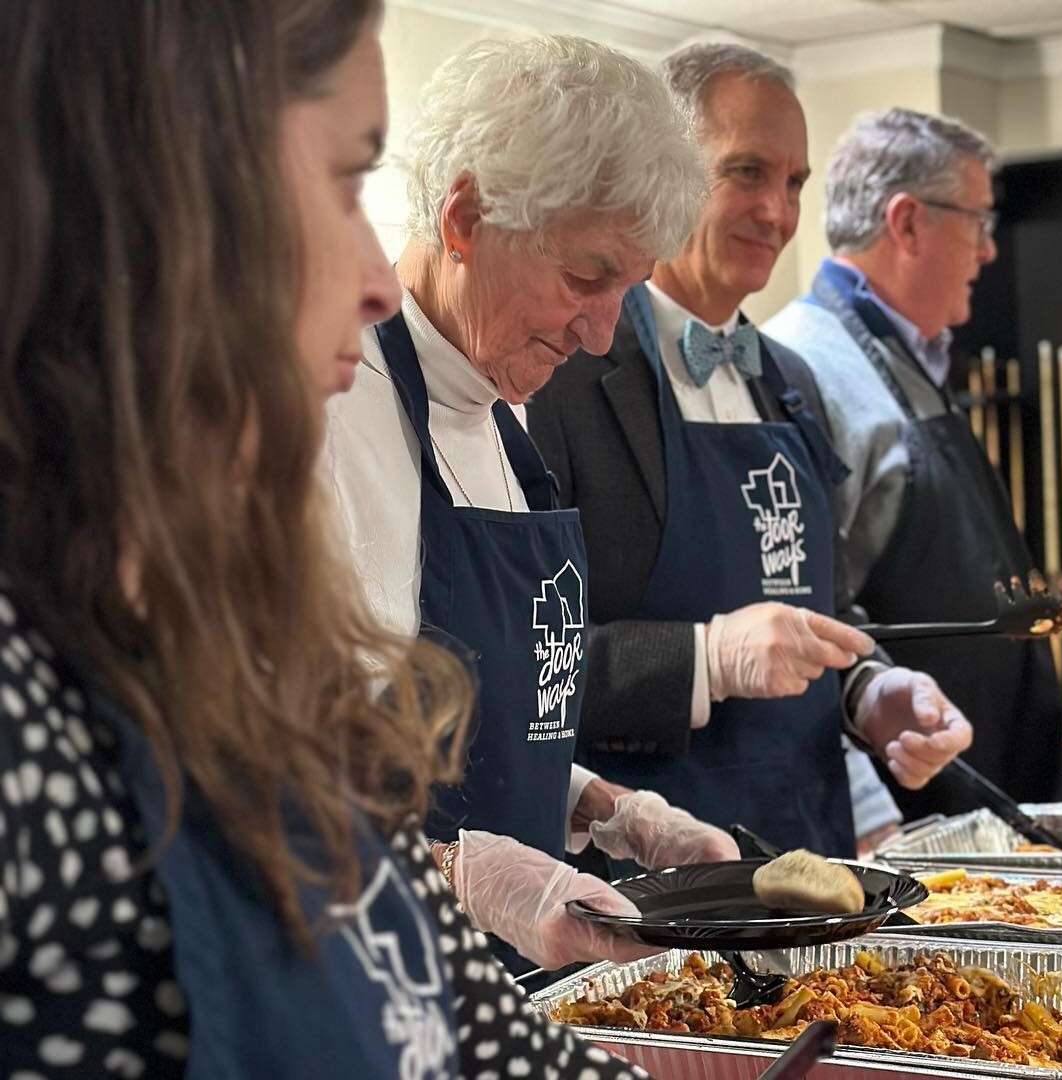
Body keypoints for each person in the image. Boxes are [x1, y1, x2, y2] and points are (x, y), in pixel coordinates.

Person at [0, 2, 644, 1077]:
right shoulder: (32, 735)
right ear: (153, 211)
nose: (379, 279)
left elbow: (490, 1043)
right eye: (347, 183)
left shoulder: (259, 667)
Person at [324, 35, 739, 975]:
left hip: (518, 997)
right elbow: (271, 791)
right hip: (384, 980)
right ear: (465, 216)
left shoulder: (505, 421)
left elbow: (480, 738)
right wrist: (467, 877)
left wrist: (604, 809)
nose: (600, 338)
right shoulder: (331, 415)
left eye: (627, 293)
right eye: (587, 278)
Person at [527, 44, 974, 860]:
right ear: (663, 169)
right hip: (647, 884)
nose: (778, 210)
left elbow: (823, 608)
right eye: (747, 172)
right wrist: (709, 658)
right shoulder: (561, 370)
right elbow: (521, 664)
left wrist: (871, 689)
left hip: (810, 855)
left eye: (795, 182)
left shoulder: (791, 380)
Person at [765, 108, 1062, 814]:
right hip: (905, 823)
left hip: (977, 801)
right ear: (906, 223)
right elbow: (806, 618)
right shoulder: (803, 364)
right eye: (979, 222)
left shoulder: (915, 355)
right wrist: (868, 806)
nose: (989, 251)